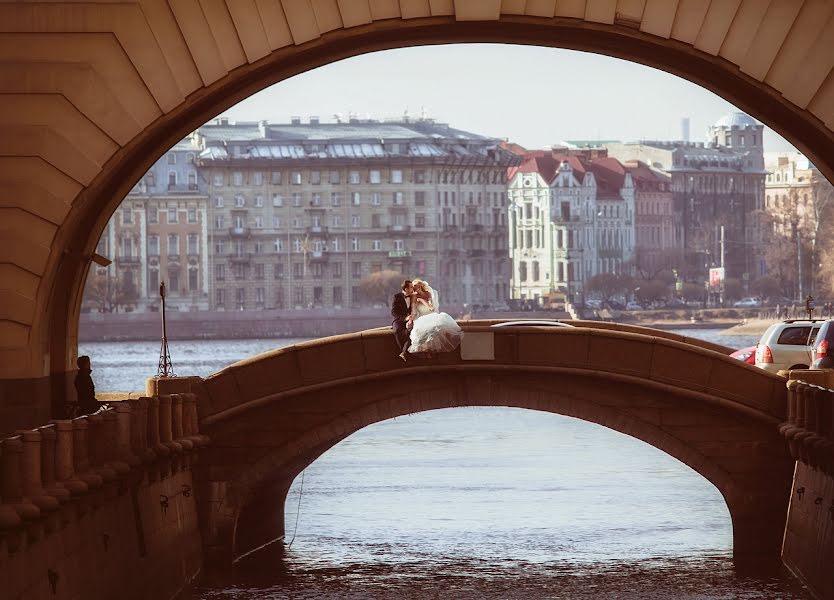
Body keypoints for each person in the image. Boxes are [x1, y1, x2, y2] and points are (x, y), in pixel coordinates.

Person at [408, 279, 463, 354]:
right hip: (421, 318)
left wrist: (422, 300)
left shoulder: (428, 294)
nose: (413, 287)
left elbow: (431, 308)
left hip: (430, 316)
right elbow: (413, 310)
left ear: (420, 286)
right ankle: (427, 353)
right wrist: (410, 319)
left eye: (414, 285)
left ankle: (435, 353)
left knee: (439, 327)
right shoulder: (414, 296)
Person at [390, 279, 414, 361]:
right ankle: (402, 352)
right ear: (406, 289)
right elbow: (393, 312)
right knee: (397, 330)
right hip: (399, 320)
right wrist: (404, 318)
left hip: (410, 320)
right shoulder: (397, 297)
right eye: (411, 287)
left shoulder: (413, 297)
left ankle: (404, 352)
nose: (413, 289)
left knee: (412, 332)